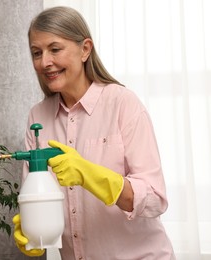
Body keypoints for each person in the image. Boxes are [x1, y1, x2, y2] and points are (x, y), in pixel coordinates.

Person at [13, 6, 176, 260]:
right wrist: (32, 227)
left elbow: (155, 199)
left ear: (85, 49)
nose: (44, 62)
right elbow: (38, 196)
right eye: (37, 52)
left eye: (55, 49)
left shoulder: (123, 104)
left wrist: (91, 175)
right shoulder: (38, 118)